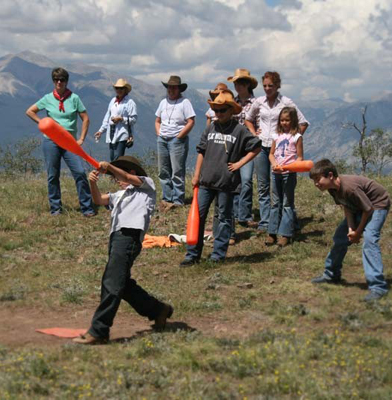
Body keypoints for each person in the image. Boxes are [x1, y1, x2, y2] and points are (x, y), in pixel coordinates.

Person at [73, 156, 174, 344]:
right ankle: (158, 310)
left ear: (132, 172)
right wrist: (92, 184)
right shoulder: (118, 196)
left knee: (111, 282)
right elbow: (98, 199)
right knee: (122, 284)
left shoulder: (146, 186)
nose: (116, 179)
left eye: (117, 175)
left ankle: (99, 330)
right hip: (116, 238)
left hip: (129, 236)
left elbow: (128, 178)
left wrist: (110, 167)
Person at [180, 90, 261, 266]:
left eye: (222, 110)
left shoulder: (240, 131)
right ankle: (192, 254)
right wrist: (196, 175)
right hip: (206, 180)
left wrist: (240, 163)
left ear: (231, 110)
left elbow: (256, 147)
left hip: (227, 182)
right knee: (198, 216)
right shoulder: (210, 127)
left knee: (224, 217)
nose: (219, 114)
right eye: (216, 110)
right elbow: (201, 151)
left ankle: (218, 255)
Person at [309, 159, 391, 302]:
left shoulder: (349, 187)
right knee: (340, 238)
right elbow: (346, 206)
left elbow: (368, 210)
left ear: (330, 175)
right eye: (314, 181)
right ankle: (331, 275)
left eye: (318, 179)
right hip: (358, 207)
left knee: (370, 240)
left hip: (377, 205)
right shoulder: (332, 189)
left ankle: (378, 287)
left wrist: (358, 233)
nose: (316, 184)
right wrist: (350, 229)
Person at [26, 67, 95, 217]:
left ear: (66, 81)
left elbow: (85, 118)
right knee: (53, 175)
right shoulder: (47, 98)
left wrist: (81, 138)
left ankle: (87, 208)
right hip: (50, 141)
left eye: (62, 80)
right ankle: (56, 209)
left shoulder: (74, 98)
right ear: (53, 81)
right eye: (56, 80)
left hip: (70, 142)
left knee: (80, 172)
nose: (59, 82)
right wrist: (42, 123)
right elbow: (30, 111)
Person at [247, 71, 308, 232]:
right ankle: (266, 222)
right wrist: (254, 134)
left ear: (277, 86)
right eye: (265, 85)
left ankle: (285, 221)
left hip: (280, 149)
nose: (267, 89)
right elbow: (248, 119)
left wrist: (292, 139)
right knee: (263, 185)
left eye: (271, 86)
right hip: (261, 146)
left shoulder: (286, 102)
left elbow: (303, 122)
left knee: (282, 187)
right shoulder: (259, 102)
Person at [155, 76, 196, 210]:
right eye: (169, 87)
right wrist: (159, 133)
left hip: (177, 140)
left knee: (177, 171)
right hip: (163, 139)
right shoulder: (163, 102)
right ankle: (167, 198)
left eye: (174, 87)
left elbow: (191, 121)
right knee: (163, 170)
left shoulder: (185, 102)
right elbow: (157, 120)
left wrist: (179, 136)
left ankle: (178, 199)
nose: (171, 90)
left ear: (179, 89)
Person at [228, 68, 259, 233]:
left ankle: (244, 214)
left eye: (240, 83)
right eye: (235, 83)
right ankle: (235, 213)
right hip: (233, 146)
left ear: (247, 85)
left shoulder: (256, 103)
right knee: (234, 182)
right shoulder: (232, 102)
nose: (237, 86)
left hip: (247, 146)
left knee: (246, 180)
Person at [266, 107, 303, 247]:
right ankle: (271, 232)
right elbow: (271, 154)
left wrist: (291, 167)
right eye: (282, 120)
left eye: (287, 120)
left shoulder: (297, 137)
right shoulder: (276, 136)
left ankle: (285, 234)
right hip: (276, 174)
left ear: (293, 120)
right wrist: (274, 164)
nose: (284, 122)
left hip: (289, 174)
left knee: (287, 203)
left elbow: (300, 157)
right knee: (275, 203)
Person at [94, 79, 137, 161]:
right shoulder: (113, 101)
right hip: (111, 133)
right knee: (112, 158)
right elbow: (107, 117)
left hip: (122, 133)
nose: (119, 90)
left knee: (118, 158)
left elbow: (133, 119)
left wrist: (121, 119)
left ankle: (117, 173)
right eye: (117, 88)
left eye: (121, 88)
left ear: (125, 89)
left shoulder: (130, 103)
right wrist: (101, 131)